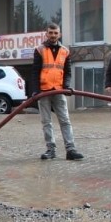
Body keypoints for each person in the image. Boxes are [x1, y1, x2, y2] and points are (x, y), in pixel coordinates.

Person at [32, 23, 84, 161]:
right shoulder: (39, 49)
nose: (53, 35)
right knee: (46, 121)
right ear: (46, 34)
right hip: (44, 91)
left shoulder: (65, 51)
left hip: (59, 90)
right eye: (51, 33)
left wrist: (66, 86)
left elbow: (67, 72)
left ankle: (71, 149)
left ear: (59, 34)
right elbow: (35, 71)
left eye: (56, 33)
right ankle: (51, 149)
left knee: (65, 120)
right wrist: (36, 90)